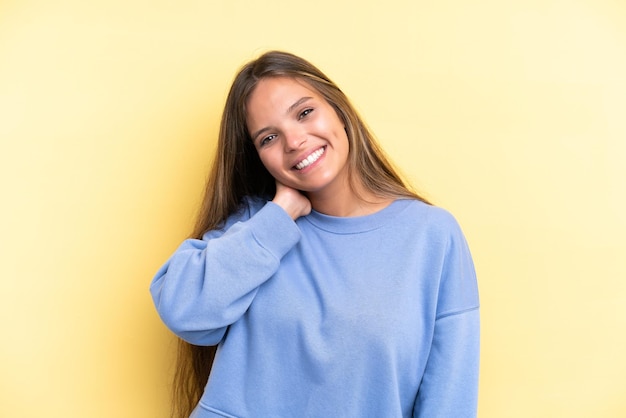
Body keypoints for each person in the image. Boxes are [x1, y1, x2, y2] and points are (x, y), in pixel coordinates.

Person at [150, 50, 480, 418]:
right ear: (257, 156)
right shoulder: (255, 227)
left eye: (305, 113)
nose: (294, 141)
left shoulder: (431, 236)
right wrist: (280, 216)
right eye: (269, 138)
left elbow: (450, 398)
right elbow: (184, 311)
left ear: (339, 110)